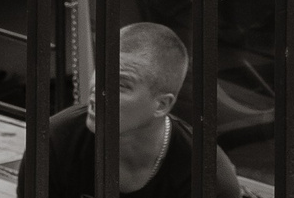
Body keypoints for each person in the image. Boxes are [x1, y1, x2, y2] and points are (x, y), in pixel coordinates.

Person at [21, 23, 240, 198]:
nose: (98, 92)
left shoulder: (208, 179)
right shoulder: (55, 140)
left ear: (162, 105)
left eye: (121, 85)